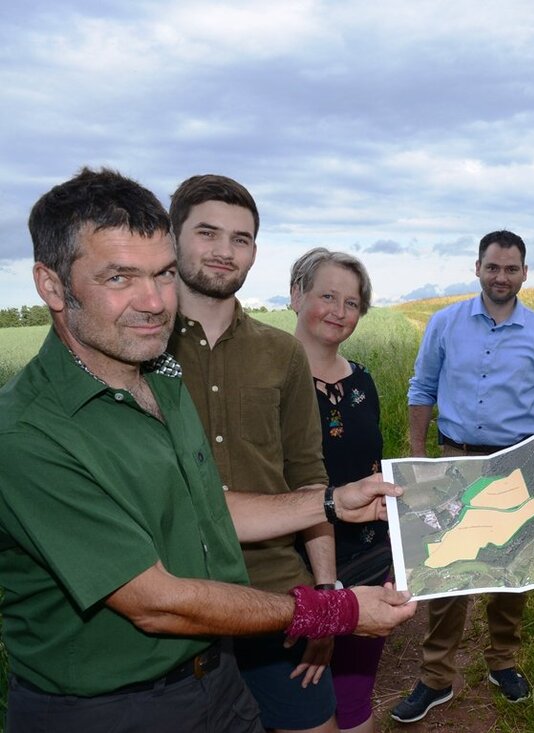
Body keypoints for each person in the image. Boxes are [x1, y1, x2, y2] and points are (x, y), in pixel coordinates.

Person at [0, 167, 416, 733]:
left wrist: (331, 503)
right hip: (109, 707)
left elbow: (207, 507)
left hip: (209, 678)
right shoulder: (28, 434)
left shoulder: (158, 381)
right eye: (120, 277)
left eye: (163, 274)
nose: (153, 301)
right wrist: (335, 609)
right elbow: (156, 601)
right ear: (51, 285)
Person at [167, 174, 340, 733]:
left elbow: (309, 478)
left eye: (240, 239)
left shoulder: (282, 352)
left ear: (255, 253)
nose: (224, 251)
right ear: (173, 239)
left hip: (277, 594)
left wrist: (327, 596)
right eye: (207, 233)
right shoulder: (140, 347)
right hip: (174, 599)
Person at [391, 229, 534, 724]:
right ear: (477, 268)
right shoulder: (445, 323)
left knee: (514, 570)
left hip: (521, 462)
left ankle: (503, 662)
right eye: (493, 267)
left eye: (511, 268)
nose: (501, 276)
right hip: (457, 458)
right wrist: (418, 457)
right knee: (449, 572)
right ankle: (434, 678)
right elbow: (422, 386)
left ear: (524, 273)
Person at [290, 247, 391, 733]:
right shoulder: (268, 384)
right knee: (299, 706)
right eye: (327, 296)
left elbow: (375, 466)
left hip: (371, 563)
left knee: (353, 700)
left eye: (352, 303)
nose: (339, 311)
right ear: (296, 295)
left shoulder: (364, 381)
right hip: (293, 572)